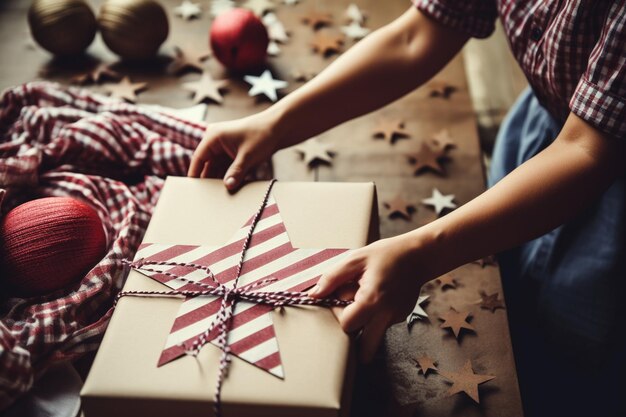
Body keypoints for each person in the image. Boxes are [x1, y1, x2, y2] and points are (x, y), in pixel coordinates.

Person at [188, 2, 626, 416]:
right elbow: (418, 35)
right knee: (510, 304)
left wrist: (421, 254)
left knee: (574, 362)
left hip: (602, 196)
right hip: (544, 144)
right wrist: (275, 122)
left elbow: (589, 150)